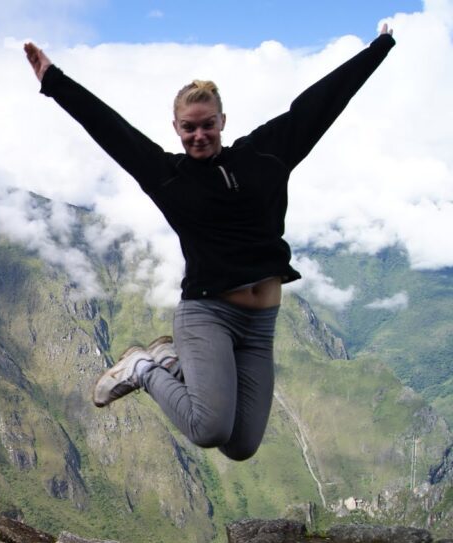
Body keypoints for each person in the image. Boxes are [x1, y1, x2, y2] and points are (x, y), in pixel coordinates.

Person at [25, 24, 396, 460]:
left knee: (241, 445)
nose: (198, 135)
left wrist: (378, 49)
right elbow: (111, 129)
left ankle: (171, 362)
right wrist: (54, 81)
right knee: (209, 428)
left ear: (222, 122)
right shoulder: (168, 176)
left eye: (207, 125)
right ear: (176, 128)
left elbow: (320, 104)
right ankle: (144, 368)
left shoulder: (265, 155)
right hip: (209, 314)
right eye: (189, 128)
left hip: (260, 324)